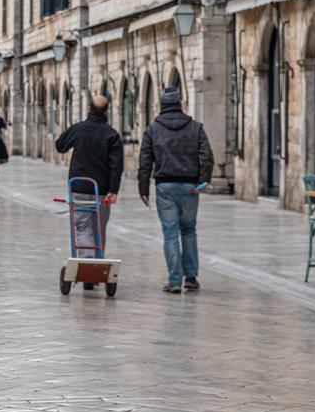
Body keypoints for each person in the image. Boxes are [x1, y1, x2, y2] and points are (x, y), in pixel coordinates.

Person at [137, 87, 213, 293]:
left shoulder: (153, 129)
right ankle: (191, 277)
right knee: (188, 230)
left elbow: (145, 161)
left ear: (162, 104)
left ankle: (174, 280)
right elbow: (207, 156)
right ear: (180, 103)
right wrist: (203, 182)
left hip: (165, 186)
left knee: (170, 233)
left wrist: (143, 189)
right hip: (190, 187)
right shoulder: (196, 128)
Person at [55, 95, 124, 257]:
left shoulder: (78, 129)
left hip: (79, 186)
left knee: (83, 227)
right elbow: (116, 166)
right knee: (99, 229)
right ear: (107, 111)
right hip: (102, 189)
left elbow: (60, 146)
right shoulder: (111, 134)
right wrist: (113, 190)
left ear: (89, 108)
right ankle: (97, 262)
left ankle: (88, 264)